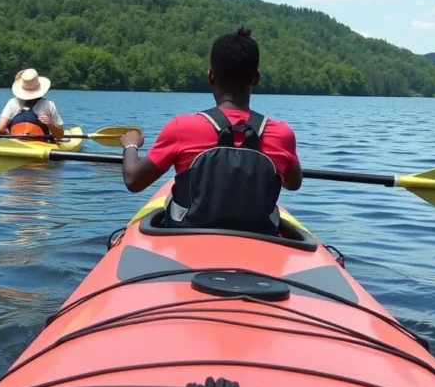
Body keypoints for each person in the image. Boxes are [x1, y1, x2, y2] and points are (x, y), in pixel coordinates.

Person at [119, 27, 303, 236]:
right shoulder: (282, 133)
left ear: (210, 76)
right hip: (260, 243)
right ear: (256, 78)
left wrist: (131, 146)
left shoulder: (181, 128)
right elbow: (293, 183)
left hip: (188, 244)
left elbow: (134, 181)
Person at [0, 68, 64, 140]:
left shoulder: (12, 103)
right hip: (40, 146)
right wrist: (50, 124)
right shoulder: (49, 105)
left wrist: (12, 135)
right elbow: (60, 135)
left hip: (15, 144)